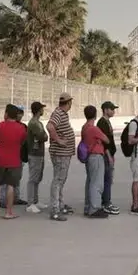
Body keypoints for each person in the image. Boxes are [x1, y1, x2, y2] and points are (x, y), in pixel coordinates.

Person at [0, 104, 25, 220]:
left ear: (6, 114)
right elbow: (22, 141)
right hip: (14, 160)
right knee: (11, 186)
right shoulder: (21, 128)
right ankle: (8, 212)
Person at [47, 93, 76, 221]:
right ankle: (55, 209)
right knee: (58, 180)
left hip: (64, 153)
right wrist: (58, 140)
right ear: (69, 103)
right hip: (60, 153)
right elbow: (50, 126)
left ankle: (60, 204)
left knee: (61, 180)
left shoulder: (62, 113)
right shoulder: (58, 113)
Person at [81, 105, 110, 219]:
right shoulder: (94, 128)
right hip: (96, 156)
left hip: (89, 156)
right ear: (95, 115)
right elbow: (106, 139)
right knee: (97, 183)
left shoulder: (85, 127)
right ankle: (95, 208)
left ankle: (88, 206)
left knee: (90, 182)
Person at [96, 101, 120, 215]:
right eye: (111, 109)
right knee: (107, 179)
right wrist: (109, 155)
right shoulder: (102, 123)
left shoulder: (107, 122)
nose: (113, 111)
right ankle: (106, 202)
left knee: (109, 179)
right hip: (106, 155)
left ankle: (106, 201)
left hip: (110, 154)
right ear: (105, 110)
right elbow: (103, 142)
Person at [25, 101, 48, 214]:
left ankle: (35, 200)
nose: (43, 110)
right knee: (33, 178)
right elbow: (42, 136)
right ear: (39, 110)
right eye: (42, 109)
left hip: (39, 153)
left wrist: (44, 135)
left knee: (38, 178)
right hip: (34, 153)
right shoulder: (34, 123)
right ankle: (30, 203)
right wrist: (44, 135)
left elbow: (44, 135)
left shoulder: (38, 123)